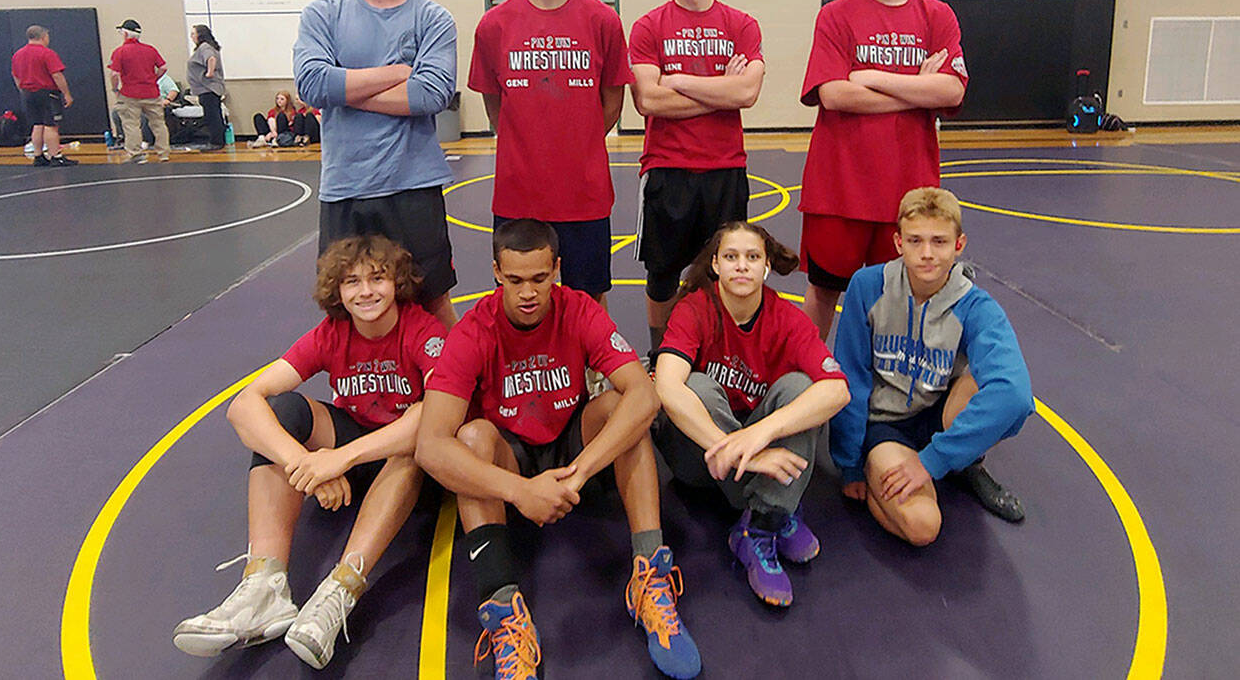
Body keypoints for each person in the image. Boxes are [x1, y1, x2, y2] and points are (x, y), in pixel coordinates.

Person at [415, 219, 701, 680]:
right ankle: (504, 609)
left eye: (539, 279)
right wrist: (519, 491)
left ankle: (651, 578)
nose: (528, 292)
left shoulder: (579, 309)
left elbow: (643, 395)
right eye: (515, 281)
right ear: (495, 273)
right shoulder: (473, 330)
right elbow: (430, 446)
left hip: (572, 448)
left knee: (619, 409)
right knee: (470, 440)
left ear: (557, 270)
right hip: (513, 456)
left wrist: (581, 471)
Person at [173, 235, 446, 668]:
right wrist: (302, 463)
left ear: (397, 282)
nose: (366, 291)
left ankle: (341, 589)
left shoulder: (422, 331)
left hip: (409, 468)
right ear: (337, 291)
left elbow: (437, 413)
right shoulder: (331, 334)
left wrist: (342, 458)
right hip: (350, 456)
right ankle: (266, 585)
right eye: (352, 282)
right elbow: (244, 405)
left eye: (377, 278)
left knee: (412, 438)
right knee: (281, 412)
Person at [797, 0, 968, 338]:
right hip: (839, 187)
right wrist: (917, 91)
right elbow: (834, 94)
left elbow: (951, 88)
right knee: (824, 289)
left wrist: (872, 75)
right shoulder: (835, 16)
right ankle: (804, 377)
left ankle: (883, 382)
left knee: (897, 295)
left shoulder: (937, 17)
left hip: (907, 189)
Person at [652, 221, 847, 606]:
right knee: (697, 386)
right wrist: (746, 452)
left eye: (752, 257)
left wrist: (760, 434)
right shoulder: (694, 308)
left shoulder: (787, 318)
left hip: (747, 441)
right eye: (731, 256)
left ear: (766, 267)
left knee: (801, 389)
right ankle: (776, 505)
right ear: (716, 266)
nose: (742, 266)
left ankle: (758, 527)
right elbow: (667, 386)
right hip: (701, 461)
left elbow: (837, 390)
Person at [830, 187, 1033, 546]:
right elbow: (851, 375)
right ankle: (895, 469)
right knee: (923, 528)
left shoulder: (974, 306)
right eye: (915, 241)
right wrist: (850, 463)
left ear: (959, 245)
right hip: (887, 425)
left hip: (940, 410)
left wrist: (933, 460)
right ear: (898, 243)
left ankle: (963, 461)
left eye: (939, 241)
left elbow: (1014, 395)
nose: (926, 254)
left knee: (988, 384)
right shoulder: (868, 286)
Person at [294, 0, 459, 329]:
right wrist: (397, 72)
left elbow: (431, 94)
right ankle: (358, 394)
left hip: (413, 186)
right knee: (348, 306)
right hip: (346, 188)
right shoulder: (322, 15)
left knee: (430, 299)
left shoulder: (432, 18)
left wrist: (345, 87)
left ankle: (458, 391)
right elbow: (311, 84)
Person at [468, 0, 632, 308]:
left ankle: (593, 373)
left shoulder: (602, 21)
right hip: (518, 195)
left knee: (589, 297)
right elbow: (495, 106)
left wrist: (579, 141)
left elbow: (612, 102)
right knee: (522, 299)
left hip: (584, 194)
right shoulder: (494, 25)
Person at [629, 0, 765, 365]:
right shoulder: (648, 27)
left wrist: (682, 80)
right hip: (667, 169)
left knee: (724, 271)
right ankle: (660, 353)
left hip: (725, 169)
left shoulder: (742, 24)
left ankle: (715, 354)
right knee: (663, 274)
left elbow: (746, 92)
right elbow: (649, 99)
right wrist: (720, 94)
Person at [10, 24, 78, 167]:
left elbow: (15, 75)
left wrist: (22, 89)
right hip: (47, 93)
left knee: (37, 124)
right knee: (51, 125)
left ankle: (38, 155)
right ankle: (55, 156)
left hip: (28, 93)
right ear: (43, 37)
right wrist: (66, 93)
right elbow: (57, 75)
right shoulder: (47, 53)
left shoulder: (18, 54)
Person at [108, 18, 171, 163]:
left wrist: (115, 89)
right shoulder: (150, 50)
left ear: (124, 34)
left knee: (131, 124)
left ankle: (136, 153)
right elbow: (163, 67)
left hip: (130, 93)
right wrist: (154, 79)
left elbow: (114, 74)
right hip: (152, 92)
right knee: (158, 123)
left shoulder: (120, 52)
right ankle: (163, 153)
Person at [187, 23, 227, 150]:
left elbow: (211, 59)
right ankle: (218, 140)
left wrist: (209, 72)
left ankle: (216, 142)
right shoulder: (206, 47)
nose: (191, 36)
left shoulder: (205, 47)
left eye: (193, 33)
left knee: (212, 116)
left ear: (200, 35)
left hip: (208, 88)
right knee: (214, 114)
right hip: (206, 89)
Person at [252, 90, 320, 147]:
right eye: (277, 99)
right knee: (258, 116)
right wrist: (272, 132)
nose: (279, 101)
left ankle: (298, 138)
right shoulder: (273, 111)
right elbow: (270, 121)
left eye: (282, 99)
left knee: (283, 116)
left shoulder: (293, 112)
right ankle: (262, 137)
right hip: (272, 131)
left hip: (284, 132)